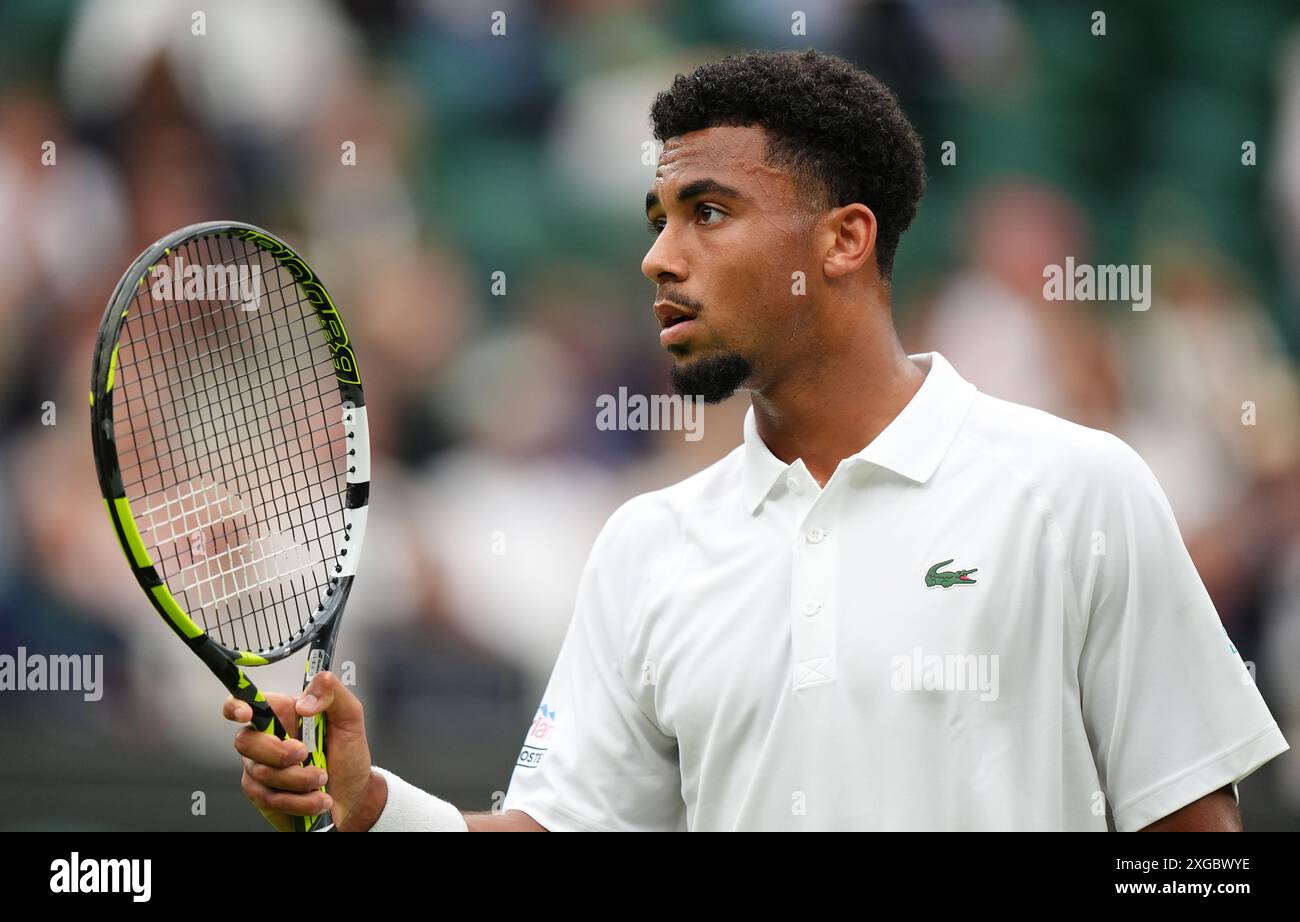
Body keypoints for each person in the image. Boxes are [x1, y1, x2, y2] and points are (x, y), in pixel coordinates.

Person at [226, 49, 1288, 831]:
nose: (657, 257)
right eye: (655, 217)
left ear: (843, 239)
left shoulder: (1078, 491)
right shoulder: (645, 547)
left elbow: (1193, 840)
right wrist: (367, 803)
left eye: (708, 212)